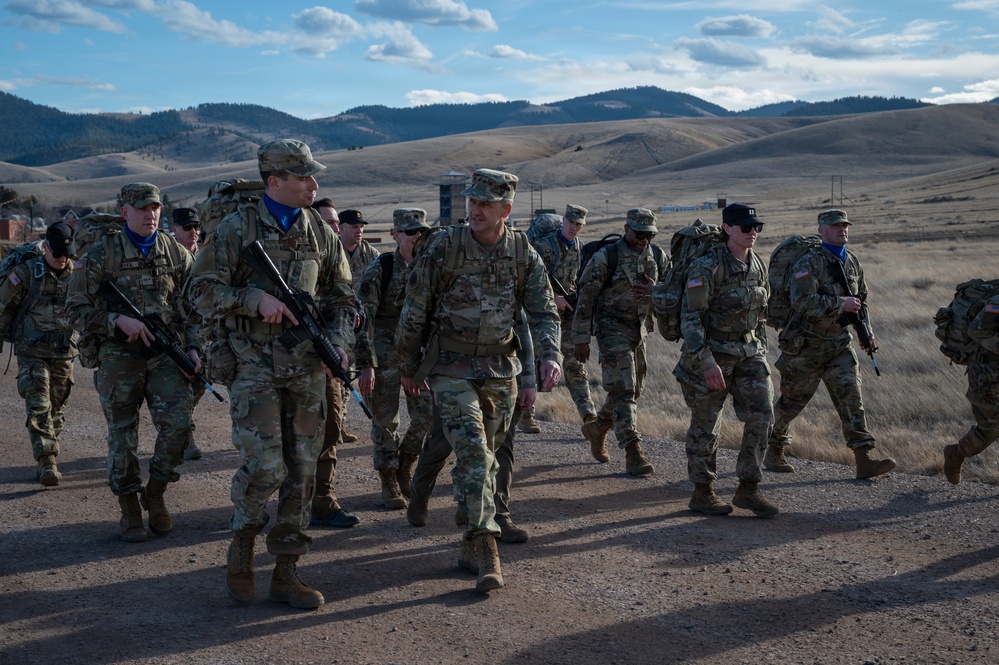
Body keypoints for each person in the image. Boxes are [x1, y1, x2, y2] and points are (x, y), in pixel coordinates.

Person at [188, 139, 355, 610]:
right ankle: (242, 538)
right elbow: (198, 291)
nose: (313, 185)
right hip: (253, 367)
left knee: (302, 472)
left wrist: (338, 345)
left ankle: (287, 571)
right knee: (265, 467)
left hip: (306, 367)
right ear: (274, 182)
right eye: (303, 177)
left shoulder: (320, 234)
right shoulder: (235, 230)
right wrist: (252, 301)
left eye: (312, 176)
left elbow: (343, 298)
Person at [397, 168, 561, 593]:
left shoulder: (522, 251)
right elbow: (414, 309)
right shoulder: (444, 247)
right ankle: (488, 547)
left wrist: (548, 356)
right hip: (449, 368)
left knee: (487, 457)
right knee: (472, 450)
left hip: (499, 371)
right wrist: (408, 367)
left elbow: (542, 311)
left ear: (506, 209)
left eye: (485, 204)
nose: (475, 210)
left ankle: (470, 540)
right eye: (471, 202)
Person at [66, 183, 198, 541]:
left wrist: (195, 348)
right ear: (125, 212)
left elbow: (195, 306)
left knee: (179, 427)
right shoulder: (99, 255)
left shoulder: (174, 251)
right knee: (123, 436)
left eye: (154, 208)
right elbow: (73, 309)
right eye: (141, 209)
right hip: (118, 356)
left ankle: (154, 493)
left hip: (164, 354)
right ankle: (129, 510)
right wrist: (115, 321)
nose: (150, 215)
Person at [766, 209, 895, 480]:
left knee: (852, 398)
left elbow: (861, 299)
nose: (842, 230)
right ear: (821, 230)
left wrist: (866, 329)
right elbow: (800, 301)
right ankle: (772, 447)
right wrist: (840, 304)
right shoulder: (809, 263)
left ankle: (864, 458)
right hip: (805, 345)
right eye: (835, 226)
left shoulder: (852, 262)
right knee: (792, 402)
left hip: (839, 343)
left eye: (845, 225)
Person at [673, 203, 777, 517]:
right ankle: (702, 491)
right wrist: (706, 362)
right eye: (745, 227)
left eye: (756, 227)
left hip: (749, 354)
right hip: (712, 355)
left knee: (762, 415)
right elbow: (690, 320)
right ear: (727, 228)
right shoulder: (707, 266)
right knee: (707, 425)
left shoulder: (757, 263)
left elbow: (761, 314)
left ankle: (748, 487)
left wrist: (760, 349)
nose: (752, 232)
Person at [407, 310, 536, 544]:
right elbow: (423, 321)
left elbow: (522, 329)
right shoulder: (447, 273)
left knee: (500, 446)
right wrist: (425, 371)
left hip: (500, 373)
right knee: (441, 443)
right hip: (452, 372)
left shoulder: (510, 276)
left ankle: (498, 514)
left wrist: (528, 380)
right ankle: (419, 494)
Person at [572, 208, 667, 477]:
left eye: (650, 235)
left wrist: (656, 292)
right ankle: (633, 451)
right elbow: (586, 299)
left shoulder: (658, 256)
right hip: (610, 329)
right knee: (624, 389)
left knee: (632, 390)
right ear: (626, 229)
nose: (644, 240)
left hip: (639, 331)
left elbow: (671, 289)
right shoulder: (606, 257)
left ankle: (597, 428)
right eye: (639, 234)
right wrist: (580, 339)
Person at [355, 208, 434, 509]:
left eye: (421, 232)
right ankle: (388, 480)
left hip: (418, 358)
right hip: (384, 356)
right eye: (411, 231)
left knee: (426, 416)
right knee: (386, 422)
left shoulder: (429, 268)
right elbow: (363, 321)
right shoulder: (380, 269)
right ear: (396, 235)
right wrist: (366, 364)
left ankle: (405, 465)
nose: (417, 237)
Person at [0, 221, 77, 487]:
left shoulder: (78, 275)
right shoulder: (25, 274)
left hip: (64, 351)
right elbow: (2, 308)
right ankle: (47, 460)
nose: (62, 259)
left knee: (57, 406)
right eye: (56, 254)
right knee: (39, 404)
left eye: (66, 254)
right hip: (31, 351)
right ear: (45, 248)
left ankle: (50, 448)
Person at [309, 195, 359, 529]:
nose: (334, 229)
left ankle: (323, 502)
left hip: (325, 359)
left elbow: (344, 303)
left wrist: (340, 341)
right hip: (283, 362)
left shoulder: (335, 259)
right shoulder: (296, 257)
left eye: (335, 224)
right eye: (327, 223)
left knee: (330, 431)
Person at [523, 204, 595, 433]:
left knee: (575, 366)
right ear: (563, 220)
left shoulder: (579, 247)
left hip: (566, 316)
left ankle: (589, 418)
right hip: (541, 314)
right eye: (571, 223)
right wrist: (555, 298)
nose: (574, 228)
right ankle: (526, 414)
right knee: (534, 364)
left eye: (579, 225)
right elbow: (528, 279)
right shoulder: (543, 247)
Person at [943, 291, 999, 484]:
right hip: (988, 375)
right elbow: (976, 330)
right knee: (991, 429)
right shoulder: (996, 303)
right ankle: (956, 454)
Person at [338, 208, 379, 445]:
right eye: (354, 227)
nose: (359, 232)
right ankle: (336, 424)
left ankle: (339, 425)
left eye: (361, 228)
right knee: (340, 374)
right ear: (341, 229)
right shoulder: (332, 252)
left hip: (362, 327)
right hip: (337, 323)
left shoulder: (370, 255)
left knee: (352, 375)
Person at [170, 206, 205, 461]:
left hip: (203, 332)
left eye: (196, 227)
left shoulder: (204, 256)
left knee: (202, 380)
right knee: (183, 384)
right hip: (177, 332)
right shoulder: (169, 257)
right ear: (174, 230)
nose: (193, 231)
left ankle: (182, 426)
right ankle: (184, 435)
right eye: (187, 227)